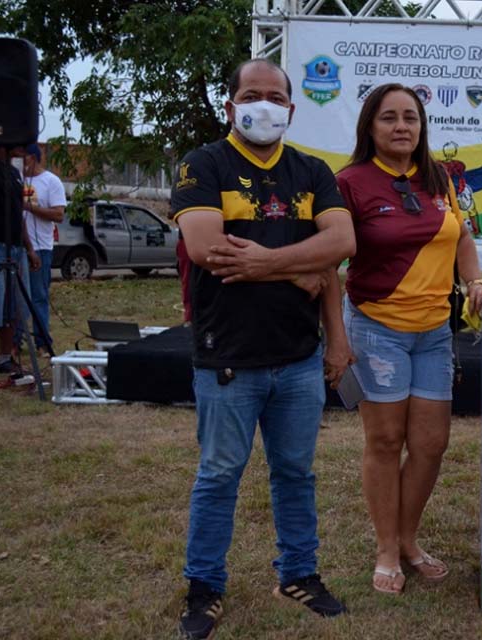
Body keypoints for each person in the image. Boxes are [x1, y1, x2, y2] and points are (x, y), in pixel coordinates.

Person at [170, 59, 355, 639]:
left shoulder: (312, 170)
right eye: (252, 94)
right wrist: (300, 266)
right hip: (227, 354)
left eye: (276, 96)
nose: (265, 104)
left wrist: (272, 266)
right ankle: (205, 588)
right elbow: (205, 247)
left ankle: (298, 573)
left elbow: (342, 244)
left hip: (299, 356)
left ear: (292, 108)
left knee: (295, 473)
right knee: (220, 474)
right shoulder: (203, 164)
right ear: (231, 104)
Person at [336, 83, 482, 595]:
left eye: (411, 117)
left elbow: (463, 237)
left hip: (433, 331)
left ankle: (408, 540)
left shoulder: (438, 178)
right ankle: (386, 549)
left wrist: (472, 280)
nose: (401, 126)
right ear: (370, 127)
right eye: (389, 117)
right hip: (375, 327)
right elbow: (329, 258)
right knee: (385, 441)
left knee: (431, 444)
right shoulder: (349, 183)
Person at [0, 145, 40, 381]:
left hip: (15, 248)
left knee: (13, 308)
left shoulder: (14, 173)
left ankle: (5, 358)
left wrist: (29, 247)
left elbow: (18, 214)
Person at [17, 143, 66, 353]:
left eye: (22, 158)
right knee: (17, 298)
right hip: (17, 247)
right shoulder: (16, 179)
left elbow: (58, 215)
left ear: (33, 158)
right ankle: (15, 342)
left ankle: (42, 342)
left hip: (41, 247)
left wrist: (30, 207)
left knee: (38, 296)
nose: (19, 162)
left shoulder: (51, 181)